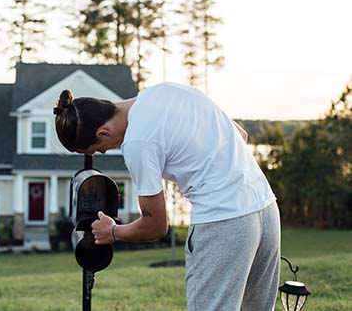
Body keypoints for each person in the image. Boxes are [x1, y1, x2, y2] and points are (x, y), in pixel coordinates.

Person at [53, 82, 280, 311]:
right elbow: (241, 134)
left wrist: (112, 232)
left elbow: (156, 226)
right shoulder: (167, 90)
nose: (105, 152)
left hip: (222, 221)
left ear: (103, 133)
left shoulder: (137, 142)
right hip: (266, 207)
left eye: (99, 149)